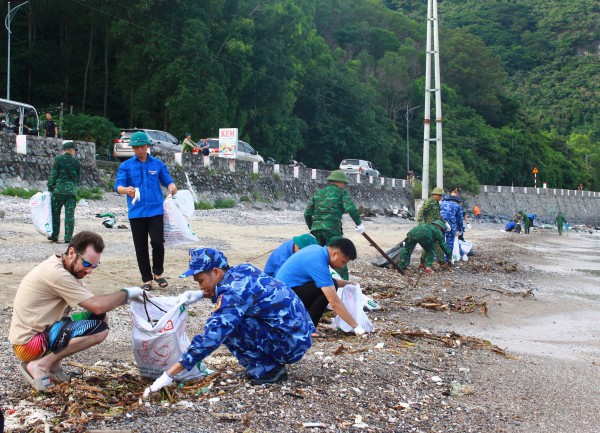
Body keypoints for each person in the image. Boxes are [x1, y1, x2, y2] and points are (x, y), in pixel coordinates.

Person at [143, 247, 314, 393]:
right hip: (297, 335)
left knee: (226, 328)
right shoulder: (242, 271)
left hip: (290, 344)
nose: (200, 286)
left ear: (216, 272)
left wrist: (169, 374)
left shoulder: (232, 292)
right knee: (231, 321)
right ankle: (262, 367)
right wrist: (202, 294)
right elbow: (244, 295)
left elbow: (213, 336)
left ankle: (269, 371)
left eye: (201, 281)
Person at [8, 231, 147, 391]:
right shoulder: (56, 273)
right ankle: (40, 364)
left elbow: (95, 306)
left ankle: (53, 364)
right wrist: (127, 294)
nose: (89, 271)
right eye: (87, 264)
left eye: (94, 266)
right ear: (72, 252)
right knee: (99, 331)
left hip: (41, 333)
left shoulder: (65, 268)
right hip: (29, 344)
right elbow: (97, 304)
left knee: (100, 318)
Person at [114, 131, 178, 290]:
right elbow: (118, 186)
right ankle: (146, 279)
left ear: (148, 146)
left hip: (156, 210)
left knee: (157, 242)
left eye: (141, 147)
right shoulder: (126, 166)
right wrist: (125, 190)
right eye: (135, 148)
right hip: (136, 212)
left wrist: (171, 187)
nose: (139, 150)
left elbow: (167, 180)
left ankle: (158, 273)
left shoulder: (157, 164)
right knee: (140, 246)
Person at [275, 237, 367, 337]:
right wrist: (356, 327)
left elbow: (325, 280)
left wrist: (348, 284)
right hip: (283, 301)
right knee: (326, 290)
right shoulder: (318, 262)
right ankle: (308, 329)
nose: (342, 266)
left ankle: (303, 324)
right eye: (343, 262)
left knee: (330, 285)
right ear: (335, 254)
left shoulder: (316, 250)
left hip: (282, 293)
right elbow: (334, 302)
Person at [304, 170, 364, 280]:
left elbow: (307, 214)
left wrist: (313, 228)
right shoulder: (341, 193)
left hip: (317, 230)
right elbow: (351, 208)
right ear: (340, 182)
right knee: (339, 257)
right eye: (344, 183)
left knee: (321, 257)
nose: (344, 186)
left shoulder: (319, 193)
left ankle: (319, 281)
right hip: (333, 230)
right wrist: (359, 224)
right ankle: (343, 284)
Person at [47, 141, 81, 244]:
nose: (74, 152)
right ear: (71, 150)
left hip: (58, 191)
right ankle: (68, 238)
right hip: (71, 192)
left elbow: (53, 175)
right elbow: (78, 178)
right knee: (69, 215)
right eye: (74, 150)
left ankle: (54, 236)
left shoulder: (58, 160)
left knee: (55, 214)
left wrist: (50, 187)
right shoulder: (76, 162)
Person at [417, 187, 448, 268]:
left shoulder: (437, 202)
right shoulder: (429, 202)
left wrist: (445, 223)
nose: (441, 198)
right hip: (429, 227)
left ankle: (422, 262)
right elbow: (421, 213)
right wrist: (421, 224)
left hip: (435, 227)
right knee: (437, 244)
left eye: (441, 196)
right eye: (440, 196)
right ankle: (442, 262)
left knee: (428, 245)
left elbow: (438, 215)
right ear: (435, 195)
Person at [440, 192, 465, 262]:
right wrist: (460, 229)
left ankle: (437, 257)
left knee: (439, 240)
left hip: (439, 223)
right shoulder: (457, 206)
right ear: (456, 201)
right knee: (449, 241)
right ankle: (447, 259)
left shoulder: (442, 203)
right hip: (451, 224)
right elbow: (460, 219)